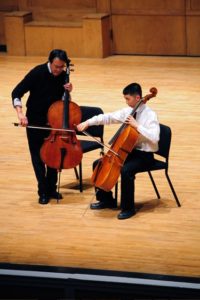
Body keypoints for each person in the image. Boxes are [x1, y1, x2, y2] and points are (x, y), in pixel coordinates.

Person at [77, 83, 160, 220]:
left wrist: (137, 125)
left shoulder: (150, 115)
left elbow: (155, 137)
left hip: (145, 155)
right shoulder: (128, 111)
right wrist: (87, 123)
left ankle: (128, 208)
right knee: (98, 163)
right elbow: (107, 117)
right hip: (129, 152)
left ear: (138, 97)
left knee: (126, 171)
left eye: (128, 99)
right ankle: (106, 199)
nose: (126, 102)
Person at [12, 49, 73, 205]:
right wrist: (20, 114)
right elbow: (16, 93)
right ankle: (43, 191)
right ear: (50, 62)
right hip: (35, 120)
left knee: (53, 156)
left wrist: (68, 92)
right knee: (38, 158)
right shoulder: (37, 73)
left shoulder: (63, 75)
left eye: (62, 67)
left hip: (53, 122)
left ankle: (51, 188)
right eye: (56, 67)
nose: (59, 70)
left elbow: (63, 102)